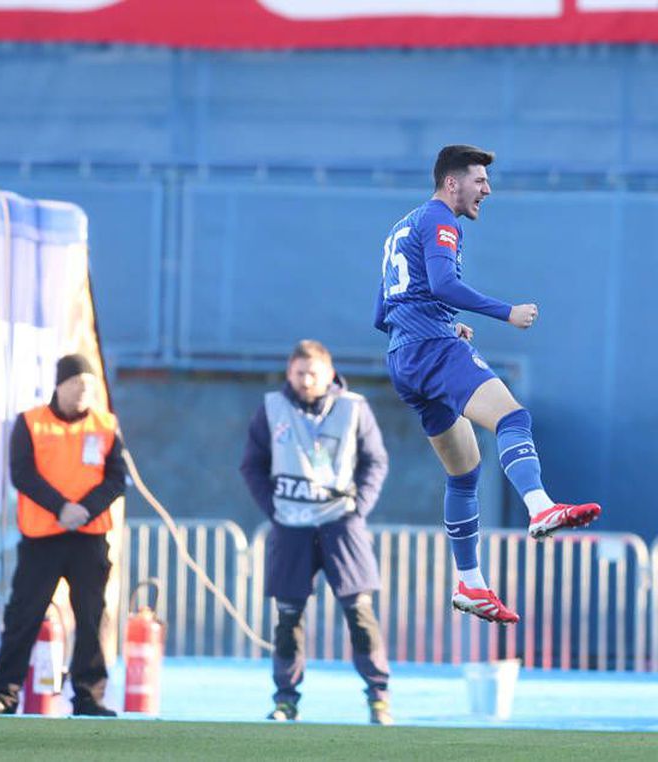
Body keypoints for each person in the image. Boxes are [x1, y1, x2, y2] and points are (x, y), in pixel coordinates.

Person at [374, 144, 601, 625]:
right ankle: (540, 508)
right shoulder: (441, 220)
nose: (487, 189)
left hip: (403, 354)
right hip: (431, 348)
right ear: (451, 182)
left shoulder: (401, 225)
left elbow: (385, 310)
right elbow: (440, 284)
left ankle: (472, 584)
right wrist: (506, 312)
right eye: (479, 180)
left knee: (464, 472)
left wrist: (437, 323)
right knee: (512, 417)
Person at [240, 340, 392, 725]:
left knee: (360, 612)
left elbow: (375, 461)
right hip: (290, 524)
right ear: (289, 372)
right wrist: (273, 507)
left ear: (329, 373)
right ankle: (285, 700)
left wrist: (360, 507)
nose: (306, 380)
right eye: (299, 373)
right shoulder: (272, 408)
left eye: (313, 373)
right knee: (288, 617)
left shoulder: (354, 407)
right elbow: (252, 464)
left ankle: (378, 697)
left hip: (342, 523)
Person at [0, 354, 125, 717]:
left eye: (90, 386)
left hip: (89, 537)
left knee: (91, 617)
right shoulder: (31, 422)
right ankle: (4, 694)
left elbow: (116, 479)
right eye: (78, 384)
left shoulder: (106, 425)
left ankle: (89, 696)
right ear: (61, 384)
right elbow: (22, 474)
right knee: (24, 615)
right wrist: (61, 508)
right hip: (43, 537)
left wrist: (85, 509)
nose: (84, 392)